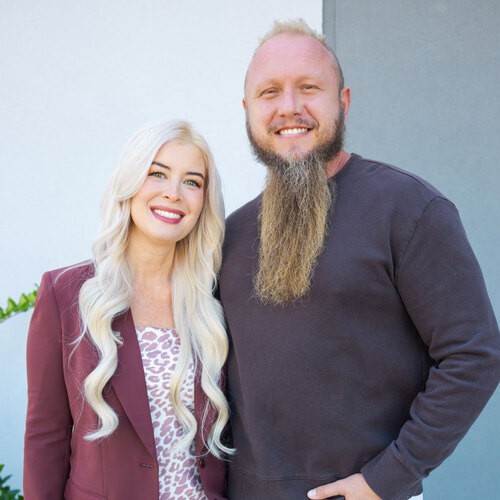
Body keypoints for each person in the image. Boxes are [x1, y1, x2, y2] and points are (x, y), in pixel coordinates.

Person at [219, 19, 500, 500]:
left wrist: (387, 478)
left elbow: (474, 355)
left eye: (309, 88)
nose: (289, 107)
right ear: (248, 111)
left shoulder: (409, 209)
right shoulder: (230, 234)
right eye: (269, 92)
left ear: (343, 102)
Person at [24, 120, 233, 499]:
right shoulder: (64, 293)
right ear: (130, 182)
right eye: (158, 174)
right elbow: (45, 434)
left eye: (192, 182)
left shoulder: (214, 298)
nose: (173, 193)